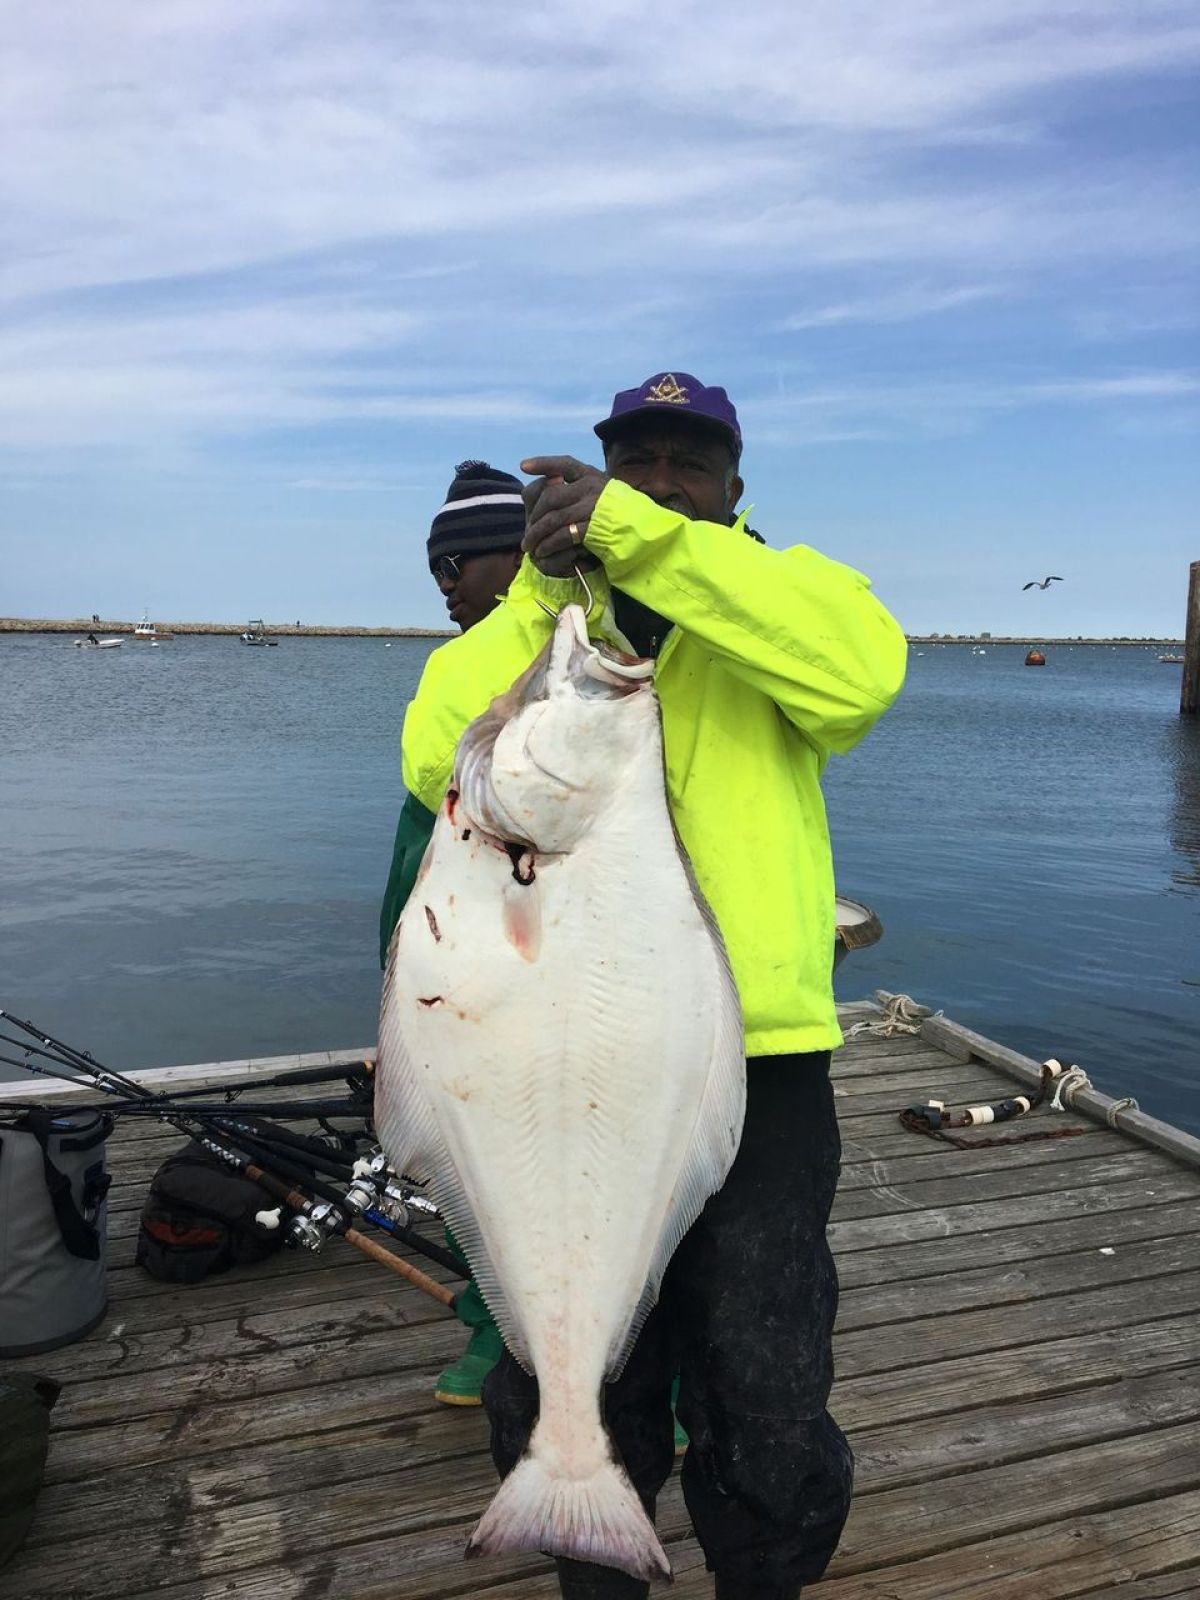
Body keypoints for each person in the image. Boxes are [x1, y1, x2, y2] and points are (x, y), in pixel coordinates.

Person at [394, 374, 906, 1599]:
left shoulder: (791, 598)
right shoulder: (536, 621)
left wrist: (646, 545)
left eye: (691, 461)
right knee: (571, 1368)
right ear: (599, 466)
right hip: (540, 1066)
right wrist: (544, 592)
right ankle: (587, 1544)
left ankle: (764, 1580)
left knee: (765, 1376)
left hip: (760, 1062)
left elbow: (859, 675)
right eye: (637, 458)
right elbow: (435, 759)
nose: (664, 477)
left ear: (735, 487)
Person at [379, 458, 527, 1407]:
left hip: (515, 959)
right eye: (437, 566)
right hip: (437, 951)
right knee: (466, 1167)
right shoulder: (452, 659)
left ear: (516, 561)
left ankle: (661, 1378)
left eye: (458, 563)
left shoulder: (567, 650)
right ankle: (491, 1330)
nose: (443, 583)